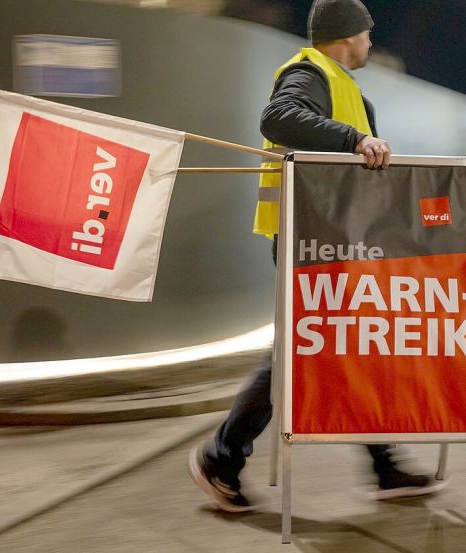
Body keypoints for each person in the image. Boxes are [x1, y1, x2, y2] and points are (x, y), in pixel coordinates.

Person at [189, 0, 445, 513]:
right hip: (308, 239)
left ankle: (383, 466)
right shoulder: (309, 73)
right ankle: (222, 456)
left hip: (338, 239)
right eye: (368, 33)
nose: (371, 42)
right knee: (297, 353)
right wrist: (356, 139)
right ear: (349, 33)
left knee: (353, 343)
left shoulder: (348, 89)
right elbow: (279, 118)